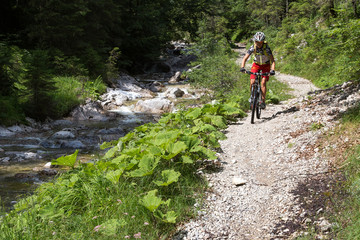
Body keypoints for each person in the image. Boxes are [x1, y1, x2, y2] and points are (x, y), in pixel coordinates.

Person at [240, 32, 275, 109]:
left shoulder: (267, 48)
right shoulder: (253, 47)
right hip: (256, 65)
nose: (258, 44)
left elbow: (273, 61)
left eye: (260, 42)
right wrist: (242, 67)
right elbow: (245, 58)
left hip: (266, 65)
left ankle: (263, 101)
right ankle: (252, 96)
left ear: (263, 42)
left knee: (263, 82)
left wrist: (272, 70)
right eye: (257, 42)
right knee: (252, 82)